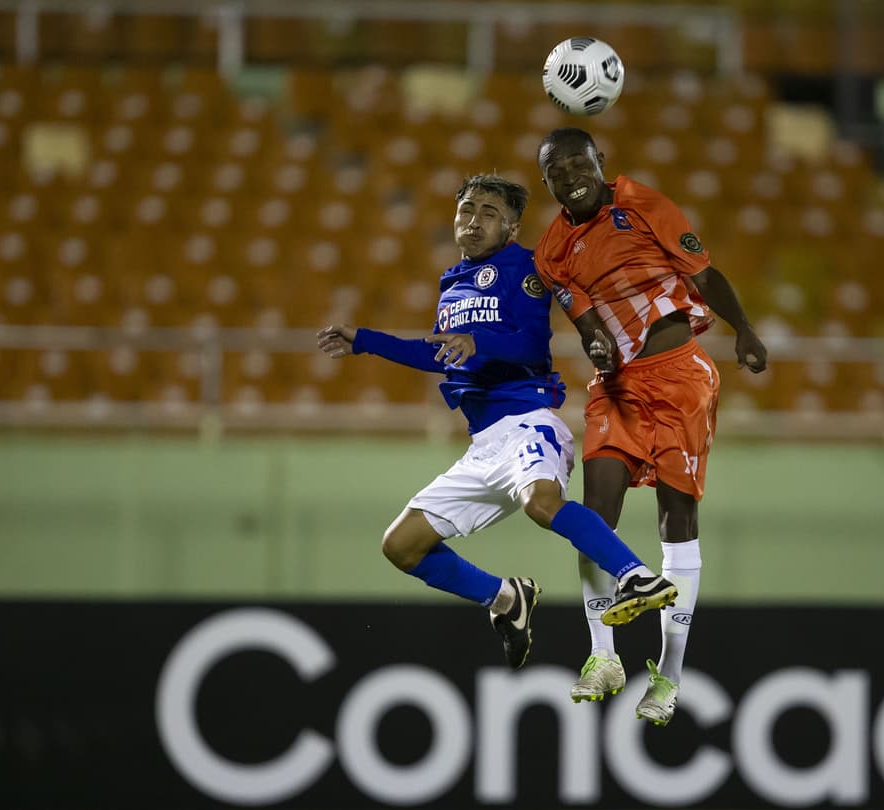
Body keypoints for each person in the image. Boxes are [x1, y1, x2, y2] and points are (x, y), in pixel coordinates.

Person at [317, 173, 667, 671]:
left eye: (488, 212)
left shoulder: (521, 267)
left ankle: (634, 574)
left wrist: (481, 344)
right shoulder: (452, 283)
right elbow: (443, 354)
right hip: (484, 446)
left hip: (527, 422)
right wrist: (365, 340)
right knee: (401, 545)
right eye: (466, 210)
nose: (474, 220)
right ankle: (506, 600)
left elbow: (529, 342)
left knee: (541, 503)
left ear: (511, 226)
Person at [534, 128, 769, 725]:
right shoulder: (553, 250)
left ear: (600, 163)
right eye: (556, 171)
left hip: (681, 377)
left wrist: (741, 327)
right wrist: (598, 347)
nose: (570, 176)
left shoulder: (645, 205)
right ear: (548, 183)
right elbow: (583, 319)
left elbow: (703, 275)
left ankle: (668, 677)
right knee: (592, 515)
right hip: (617, 387)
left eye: (578, 163)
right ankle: (603, 655)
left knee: (677, 522)